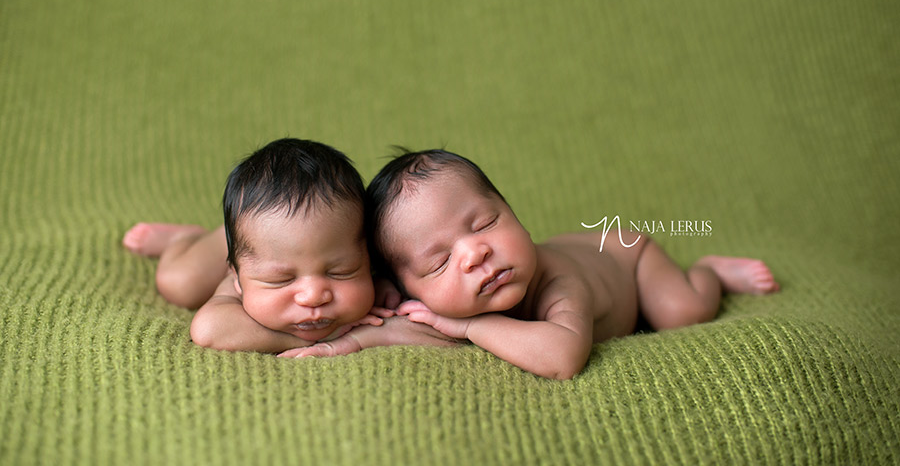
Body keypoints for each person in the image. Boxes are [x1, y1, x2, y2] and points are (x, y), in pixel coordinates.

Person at [365, 149, 780, 380]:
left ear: (514, 214)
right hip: (590, 247)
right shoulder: (424, 299)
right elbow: (393, 327)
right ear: (407, 290)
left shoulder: (559, 284)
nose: (475, 254)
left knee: (682, 311)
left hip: (628, 257)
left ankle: (709, 272)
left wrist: (469, 326)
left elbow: (563, 357)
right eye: (440, 262)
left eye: (486, 223)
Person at [123, 138, 452, 355]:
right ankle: (190, 238)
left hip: (282, 240)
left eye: (341, 272)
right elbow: (209, 330)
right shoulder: (237, 283)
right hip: (242, 245)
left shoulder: (372, 271)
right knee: (180, 284)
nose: (313, 296)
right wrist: (326, 337)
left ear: (369, 259)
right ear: (237, 277)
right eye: (281, 280)